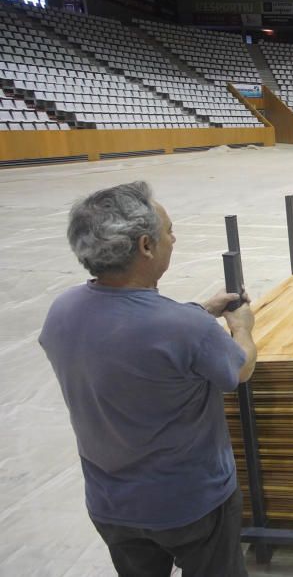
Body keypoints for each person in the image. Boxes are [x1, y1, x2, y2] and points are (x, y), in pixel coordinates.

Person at [39, 181, 256, 577]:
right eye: (168, 230)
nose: (174, 238)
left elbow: (130, 334)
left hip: (111, 505)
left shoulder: (62, 310)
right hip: (191, 504)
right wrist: (241, 327)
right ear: (145, 246)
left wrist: (199, 311)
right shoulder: (182, 328)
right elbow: (238, 370)